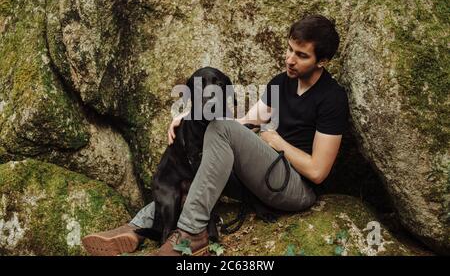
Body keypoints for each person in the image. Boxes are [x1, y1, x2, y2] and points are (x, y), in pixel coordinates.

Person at [81, 14, 349, 256]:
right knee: (206, 140)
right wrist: (188, 118)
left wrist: (278, 142)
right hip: (263, 177)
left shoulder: (332, 98)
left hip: (295, 189)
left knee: (219, 129)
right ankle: (136, 227)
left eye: (301, 55)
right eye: (290, 49)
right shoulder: (281, 82)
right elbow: (242, 123)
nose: (290, 59)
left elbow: (317, 171)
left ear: (322, 61)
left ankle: (191, 234)